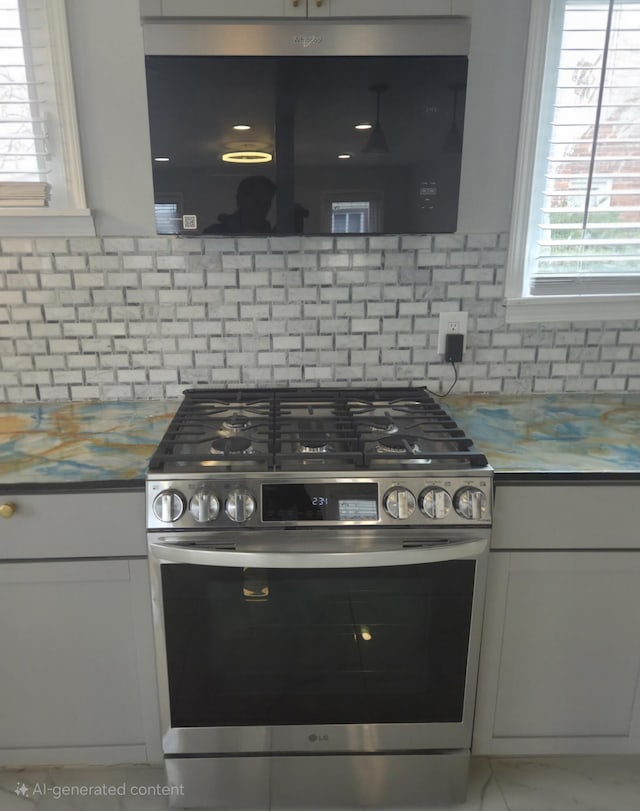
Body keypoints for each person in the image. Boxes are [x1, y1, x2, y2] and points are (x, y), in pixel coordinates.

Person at [203, 175, 275, 234]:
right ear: (241, 200)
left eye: (267, 203)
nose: (262, 208)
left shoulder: (275, 235)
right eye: (257, 202)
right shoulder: (215, 235)